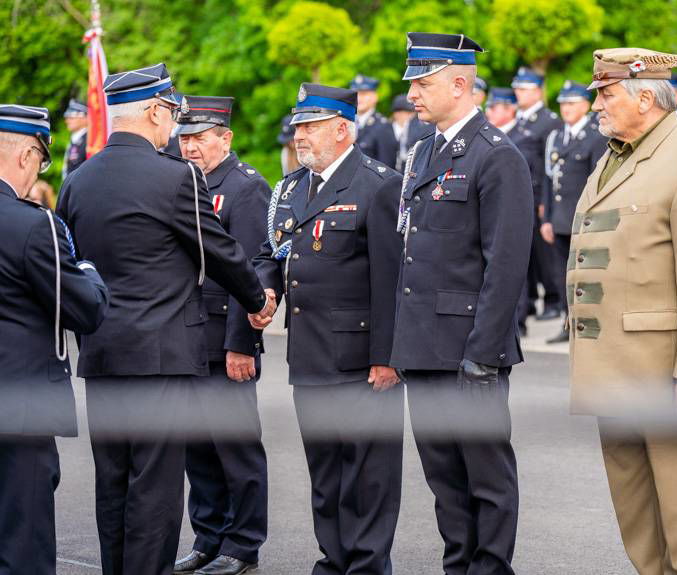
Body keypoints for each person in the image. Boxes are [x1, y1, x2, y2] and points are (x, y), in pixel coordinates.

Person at [56, 63, 275, 575]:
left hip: (104, 353)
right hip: (162, 356)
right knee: (154, 488)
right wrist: (257, 299)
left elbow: (70, 264)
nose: (175, 127)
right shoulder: (176, 177)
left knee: (112, 481)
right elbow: (222, 251)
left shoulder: (78, 180)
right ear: (155, 111)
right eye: (172, 114)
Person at [572, 48, 677, 574]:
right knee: (639, 520)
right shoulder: (614, 155)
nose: (596, 103)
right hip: (614, 371)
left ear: (646, 97)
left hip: (669, 377)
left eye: (606, 93)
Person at [391, 32, 533, 575]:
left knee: (486, 474)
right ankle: (460, 564)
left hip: (470, 346)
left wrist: (485, 353)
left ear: (459, 82)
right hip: (424, 344)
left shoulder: (497, 156)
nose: (414, 95)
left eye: (423, 84)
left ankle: (491, 567)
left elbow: (505, 267)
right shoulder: (423, 151)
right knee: (443, 475)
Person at [252, 83, 404, 575]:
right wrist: (267, 289)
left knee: (368, 474)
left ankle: (366, 564)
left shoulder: (379, 184)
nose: (300, 136)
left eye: (311, 126)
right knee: (325, 472)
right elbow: (269, 254)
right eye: (298, 126)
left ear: (342, 129)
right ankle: (333, 559)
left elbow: (391, 277)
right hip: (310, 354)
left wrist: (387, 357)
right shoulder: (293, 187)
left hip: (362, 358)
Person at [0, 104, 109, 575]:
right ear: (26, 156)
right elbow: (85, 308)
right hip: (20, 410)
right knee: (23, 544)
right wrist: (88, 269)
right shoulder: (31, 224)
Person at [171, 96, 270, 575]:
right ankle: (208, 538)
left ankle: (243, 545)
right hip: (184, 339)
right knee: (199, 451)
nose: (189, 147)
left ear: (225, 138)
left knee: (236, 449)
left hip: (223, 339)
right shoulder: (178, 183)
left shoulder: (245, 188)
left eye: (199, 138)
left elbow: (248, 271)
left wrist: (240, 344)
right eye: (184, 137)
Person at [539, 81, 606, 344]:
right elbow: (548, 179)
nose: (566, 108)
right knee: (562, 276)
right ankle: (568, 323)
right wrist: (546, 219)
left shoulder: (596, 135)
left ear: (586, 105)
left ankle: (587, 324)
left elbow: (597, 182)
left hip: (583, 220)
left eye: (572, 103)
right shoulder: (556, 136)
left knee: (586, 277)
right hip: (559, 219)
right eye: (563, 103)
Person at [510, 66, 565, 327]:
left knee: (545, 253)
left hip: (536, 193)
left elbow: (549, 166)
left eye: (525, 89)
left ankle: (553, 299)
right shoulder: (518, 119)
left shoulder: (549, 121)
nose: (519, 93)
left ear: (539, 91)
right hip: (520, 194)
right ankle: (530, 299)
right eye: (517, 88)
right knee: (526, 253)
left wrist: (545, 199)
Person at [352, 74, 399, 169]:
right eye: (356, 94)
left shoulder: (383, 126)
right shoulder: (347, 122)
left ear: (375, 97)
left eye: (364, 94)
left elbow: (387, 168)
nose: (359, 98)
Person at [62, 98, 89, 179]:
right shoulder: (75, 140)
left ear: (85, 118)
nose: (67, 121)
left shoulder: (89, 141)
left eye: (71, 117)